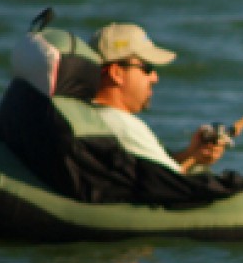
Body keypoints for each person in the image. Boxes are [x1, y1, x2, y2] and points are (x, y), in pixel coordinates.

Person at [90, 22, 228, 174]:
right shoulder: (123, 126)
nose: (155, 78)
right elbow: (172, 183)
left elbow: (157, 174)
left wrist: (191, 155)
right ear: (117, 73)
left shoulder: (87, 115)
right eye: (147, 68)